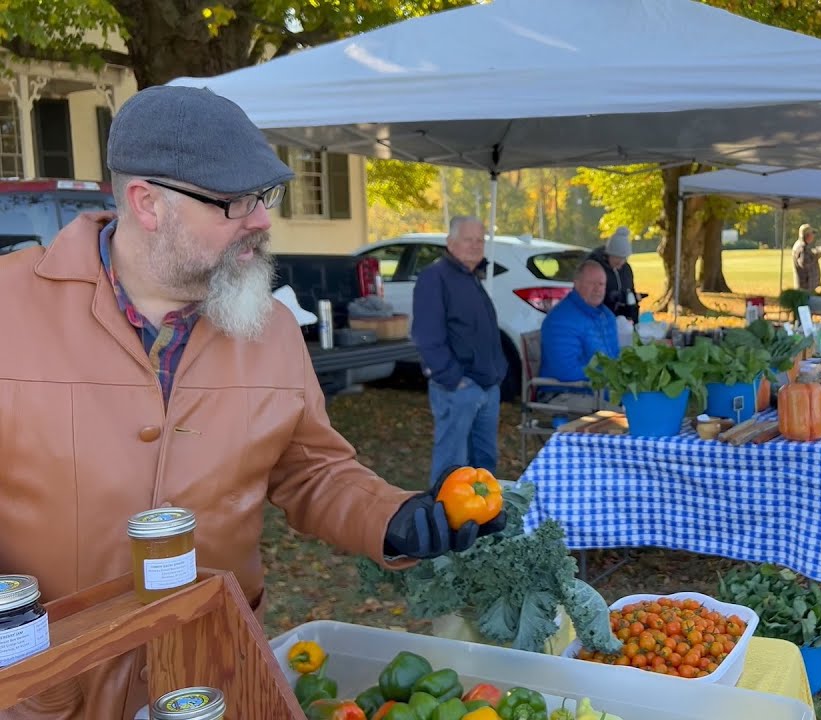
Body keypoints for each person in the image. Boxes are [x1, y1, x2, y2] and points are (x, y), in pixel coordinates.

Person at [0, 85, 503, 720]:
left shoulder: (272, 328)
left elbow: (312, 470)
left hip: (211, 676)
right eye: (235, 202)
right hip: (45, 691)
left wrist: (392, 516)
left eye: (265, 197)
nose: (262, 221)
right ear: (147, 203)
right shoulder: (9, 307)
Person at [412, 215, 508, 485]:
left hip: (487, 386)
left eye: (480, 240)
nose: (476, 246)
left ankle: (481, 512)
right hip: (458, 390)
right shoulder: (435, 277)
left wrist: (497, 373)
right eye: (468, 240)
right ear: (450, 243)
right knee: (452, 468)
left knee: (484, 466)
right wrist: (454, 379)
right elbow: (426, 336)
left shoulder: (470, 276)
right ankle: (443, 512)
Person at [537, 261, 620, 410]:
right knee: (623, 418)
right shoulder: (561, 319)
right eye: (591, 283)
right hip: (565, 393)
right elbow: (565, 372)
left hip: (601, 392)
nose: (597, 289)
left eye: (601, 284)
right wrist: (608, 376)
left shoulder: (606, 315)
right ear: (576, 283)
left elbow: (616, 357)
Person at [587, 227, 640, 323]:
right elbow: (588, 297)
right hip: (599, 321)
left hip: (622, 322)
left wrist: (633, 298)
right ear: (609, 254)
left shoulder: (626, 269)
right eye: (617, 259)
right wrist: (609, 297)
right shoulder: (596, 269)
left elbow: (630, 291)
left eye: (624, 259)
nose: (621, 263)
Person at [792, 223, 821, 292]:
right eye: (812, 234)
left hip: (807, 286)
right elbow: (804, 263)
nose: (813, 236)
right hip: (805, 287)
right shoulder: (802, 247)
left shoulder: (802, 246)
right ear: (807, 235)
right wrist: (816, 256)